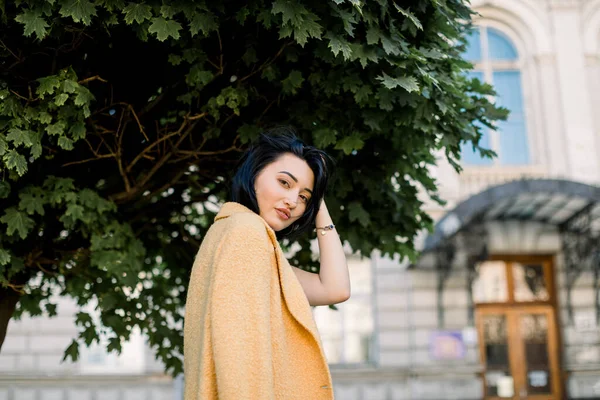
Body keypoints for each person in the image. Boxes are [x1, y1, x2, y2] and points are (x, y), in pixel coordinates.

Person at [183, 128, 351, 400]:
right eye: (285, 183)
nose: (293, 201)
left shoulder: (244, 239)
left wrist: (319, 205)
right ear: (255, 174)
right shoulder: (246, 233)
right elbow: (239, 358)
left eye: (304, 197)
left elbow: (335, 289)